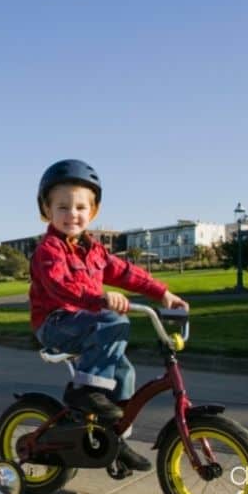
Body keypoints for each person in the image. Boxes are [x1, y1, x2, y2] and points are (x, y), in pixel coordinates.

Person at [29, 159, 189, 472]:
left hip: (88, 325)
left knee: (124, 373)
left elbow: (128, 273)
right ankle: (85, 392)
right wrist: (100, 298)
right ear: (46, 210)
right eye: (62, 207)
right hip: (56, 324)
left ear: (93, 212)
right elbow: (62, 284)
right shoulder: (49, 250)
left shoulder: (96, 251)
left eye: (80, 207)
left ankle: (114, 440)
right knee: (115, 321)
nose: (71, 214)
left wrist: (163, 293)